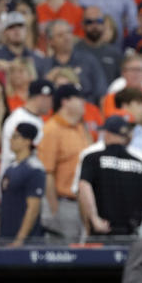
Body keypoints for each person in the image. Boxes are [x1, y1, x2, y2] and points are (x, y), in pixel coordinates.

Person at [78, 116, 142, 236]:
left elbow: (84, 186)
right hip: (132, 232)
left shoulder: (92, 158)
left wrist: (94, 218)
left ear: (107, 134)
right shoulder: (140, 163)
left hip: (103, 229)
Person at [37, 84, 92, 240]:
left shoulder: (81, 128)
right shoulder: (51, 129)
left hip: (83, 204)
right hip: (64, 203)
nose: (83, 102)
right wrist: (54, 209)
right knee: (62, 255)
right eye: (79, 98)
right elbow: (47, 172)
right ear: (65, 102)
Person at [0, 122, 45, 246]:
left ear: (27, 141)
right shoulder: (10, 168)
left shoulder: (34, 169)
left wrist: (19, 240)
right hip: (5, 236)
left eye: (16, 137)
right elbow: (4, 206)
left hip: (25, 242)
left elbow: (33, 208)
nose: (11, 140)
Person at [0, 79, 55, 184]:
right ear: (43, 97)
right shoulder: (18, 119)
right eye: (51, 99)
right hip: (16, 180)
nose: (52, 104)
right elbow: (16, 155)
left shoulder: (37, 118)